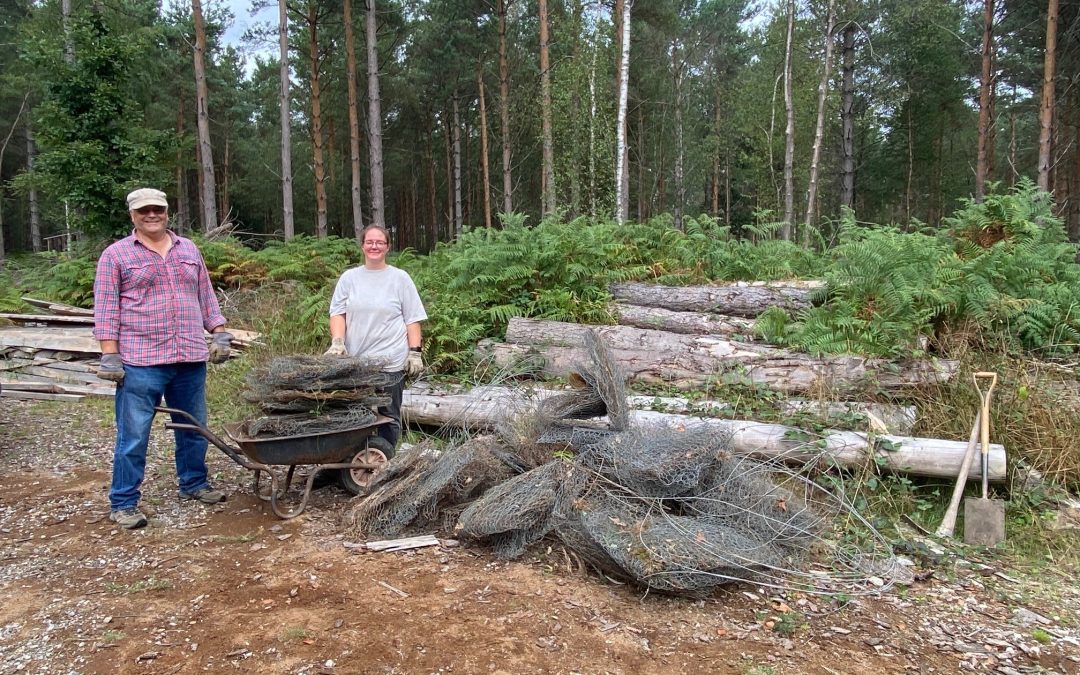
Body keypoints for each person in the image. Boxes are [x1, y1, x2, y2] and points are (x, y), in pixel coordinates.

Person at [93, 188, 234, 530]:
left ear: (167, 212)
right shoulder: (116, 256)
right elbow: (107, 308)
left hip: (189, 357)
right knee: (134, 435)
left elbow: (204, 295)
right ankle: (124, 501)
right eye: (144, 211)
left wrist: (218, 331)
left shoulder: (188, 249)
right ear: (133, 216)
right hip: (142, 360)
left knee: (193, 427)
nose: (151, 214)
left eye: (157, 209)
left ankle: (194, 483)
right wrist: (110, 354)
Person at [326, 225, 427, 449]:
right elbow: (337, 313)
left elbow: (413, 319)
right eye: (370, 242)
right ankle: (352, 466)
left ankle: (384, 464)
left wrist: (415, 353)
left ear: (387, 247)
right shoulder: (349, 278)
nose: (374, 246)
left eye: (380, 242)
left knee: (389, 418)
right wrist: (338, 342)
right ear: (362, 246)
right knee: (351, 416)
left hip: (391, 362)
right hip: (356, 362)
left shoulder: (400, 278)